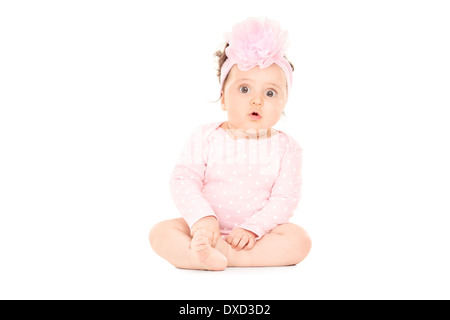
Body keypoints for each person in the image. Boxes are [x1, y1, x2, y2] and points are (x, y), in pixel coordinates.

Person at [149, 17, 311, 271]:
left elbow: (285, 198)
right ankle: (197, 253)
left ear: (284, 104)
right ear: (223, 98)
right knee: (161, 232)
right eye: (244, 89)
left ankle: (229, 256)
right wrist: (203, 220)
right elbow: (184, 179)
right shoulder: (205, 136)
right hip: (202, 229)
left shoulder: (287, 147)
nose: (257, 100)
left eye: (270, 93)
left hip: (258, 236)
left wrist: (253, 228)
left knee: (299, 241)